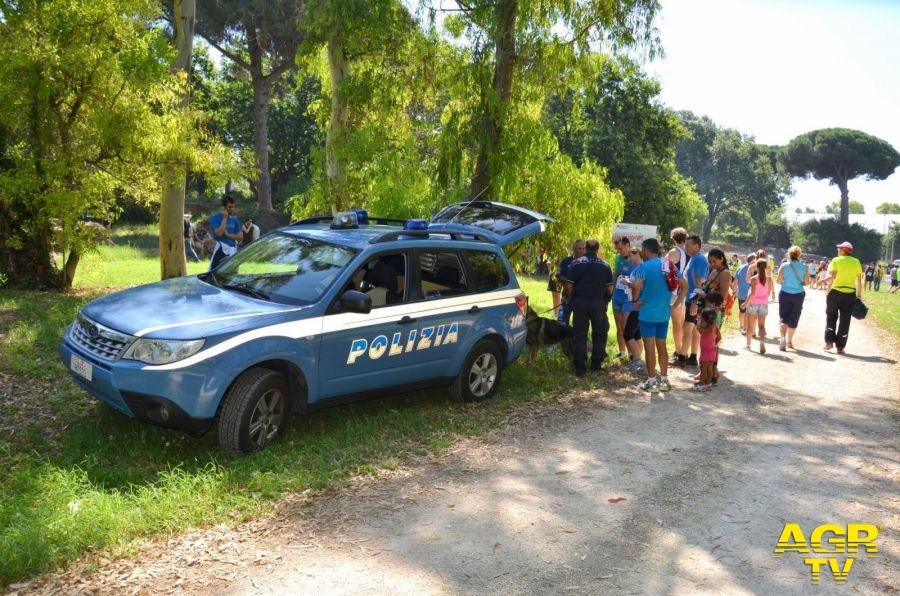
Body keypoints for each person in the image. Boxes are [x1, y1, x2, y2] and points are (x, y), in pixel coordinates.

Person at [632, 237, 683, 393]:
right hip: (663, 313)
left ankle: (652, 382)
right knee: (662, 347)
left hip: (647, 313)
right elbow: (685, 286)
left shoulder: (644, 266)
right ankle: (665, 381)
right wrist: (675, 304)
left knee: (649, 348)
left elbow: (637, 286)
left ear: (646, 250)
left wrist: (635, 300)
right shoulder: (669, 265)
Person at [565, 239, 614, 376]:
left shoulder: (575, 263)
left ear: (585, 248)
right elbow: (610, 288)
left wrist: (568, 298)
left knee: (580, 334)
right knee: (599, 332)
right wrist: (606, 301)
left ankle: (579, 367)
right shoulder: (605, 265)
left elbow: (569, 286)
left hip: (579, 302)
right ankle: (596, 365)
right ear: (597, 249)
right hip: (597, 303)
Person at [824, 242, 863, 354]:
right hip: (850, 293)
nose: (837, 250)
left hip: (835, 292)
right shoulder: (856, 262)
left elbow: (832, 277)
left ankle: (829, 343)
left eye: (839, 248)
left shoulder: (836, 260)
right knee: (845, 320)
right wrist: (859, 296)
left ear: (842, 250)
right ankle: (840, 347)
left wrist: (827, 291)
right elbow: (859, 281)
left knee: (831, 317)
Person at [677, 235, 708, 368]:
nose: (686, 248)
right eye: (686, 245)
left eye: (689, 245)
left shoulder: (699, 259)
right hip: (692, 297)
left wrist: (695, 301)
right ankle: (693, 357)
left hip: (694, 298)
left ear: (697, 246)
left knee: (687, 327)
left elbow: (700, 282)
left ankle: (682, 357)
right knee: (694, 329)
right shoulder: (694, 258)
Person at [776, 245, 810, 351]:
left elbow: (778, 281)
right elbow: (807, 283)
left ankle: (782, 338)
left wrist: (786, 282)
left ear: (789, 254)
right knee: (794, 317)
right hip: (798, 294)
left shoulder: (784, 265)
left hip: (785, 293)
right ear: (799, 255)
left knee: (783, 317)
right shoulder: (805, 267)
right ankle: (789, 342)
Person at [619, 247, 645, 372]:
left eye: (631, 256)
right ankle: (639, 359)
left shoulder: (641, 268)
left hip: (637, 305)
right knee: (636, 334)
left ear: (638, 254)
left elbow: (637, 286)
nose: (629, 259)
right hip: (637, 304)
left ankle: (638, 361)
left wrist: (628, 283)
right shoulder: (638, 268)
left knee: (628, 333)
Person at [666, 227, 689, 365]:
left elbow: (664, 268)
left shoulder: (674, 252)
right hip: (682, 291)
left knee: (675, 323)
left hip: (672, 291)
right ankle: (681, 351)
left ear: (673, 238)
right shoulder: (687, 252)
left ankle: (678, 351)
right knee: (679, 323)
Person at [612, 237, 635, 360]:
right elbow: (616, 273)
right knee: (619, 327)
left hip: (629, 299)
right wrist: (611, 290)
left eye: (621, 248)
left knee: (627, 327)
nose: (619, 251)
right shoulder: (618, 258)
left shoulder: (636, 258)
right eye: (617, 249)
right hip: (617, 297)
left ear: (628, 245)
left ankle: (632, 354)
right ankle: (622, 352)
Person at [555, 239, 586, 324]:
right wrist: (570, 282)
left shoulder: (588, 263)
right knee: (562, 323)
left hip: (581, 299)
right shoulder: (566, 261)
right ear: (574, 249)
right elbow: (558, 276)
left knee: (579, 324)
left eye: (584, 248)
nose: (582, 251)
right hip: (567, 297)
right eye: (579, 248)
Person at [209, 195, 243, 270]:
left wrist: (228, 235)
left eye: (233, 207)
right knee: (215, 272)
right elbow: (219, 233)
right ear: (224, 207)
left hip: (233, 250)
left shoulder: (234, 219)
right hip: (220, 250)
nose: (232, 209)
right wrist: (224, 218)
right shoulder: (215, 218)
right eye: (229, 207)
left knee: (232, 273)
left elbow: (240, 237)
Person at [692, 308, 720, 392]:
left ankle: (701, 383)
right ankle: (708, 383)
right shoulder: (715, 328)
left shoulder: (706, 328)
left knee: (703, 368)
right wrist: (714, 343)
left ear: (704, 319)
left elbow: (698, 328)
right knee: (710, 368)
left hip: (706, 352)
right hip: (713, 350)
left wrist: (698, 320)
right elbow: (719, 337)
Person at [745, 259, 770, 354]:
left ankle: (748, 345)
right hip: (763, 304)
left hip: (753, 303)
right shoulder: (769, 279)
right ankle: (762, 342)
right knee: (761, 326)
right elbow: (768, 293)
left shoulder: (753, 279)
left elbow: (752, 293)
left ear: (757, 267)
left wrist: (745, 303)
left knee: (750, 326)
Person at [733, 254, 756, 336]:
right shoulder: (755, 269)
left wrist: (734, 292)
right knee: (751, 313)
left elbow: (735, 282)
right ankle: (750, 329)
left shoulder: (740, 268)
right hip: (752, 295)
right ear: (753, 261)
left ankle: (742, 327)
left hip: (742, 294)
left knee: (742, 311)